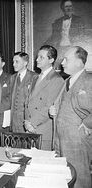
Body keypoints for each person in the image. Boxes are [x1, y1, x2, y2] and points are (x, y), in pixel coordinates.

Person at [50, 46, 92, 188]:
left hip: (78, 141)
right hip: (60, 139)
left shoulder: (89, 80)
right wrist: (54, 110)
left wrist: (87, 124)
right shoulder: (67, 80)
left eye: (66, 59)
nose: (62, 62)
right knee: (65, 178)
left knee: (80, 179)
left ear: (79, 62)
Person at [24, 45, 64, 150]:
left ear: (51, 60)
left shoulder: (56, 79)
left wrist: (32, 123)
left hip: (42, 130)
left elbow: (49, 106)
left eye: (41, 57)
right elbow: (28, 102)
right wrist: (27, 122)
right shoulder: (35, 77)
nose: (37, 59)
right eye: (37, 56)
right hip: (30, 128)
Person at [45, 0, 84, 70]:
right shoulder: (57, 22)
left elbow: (81, 37)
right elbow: (54, 38)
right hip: (60, 49)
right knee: (58, 69)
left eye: (70, 6)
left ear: (72, 7)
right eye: (66, 6)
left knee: (72, 68)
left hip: (72, 48)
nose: (69, 8)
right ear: (63, 8)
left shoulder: (79, 21)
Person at [9, 52, 38, 133]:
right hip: (14, 121)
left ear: (25, 63)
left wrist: (31, 123)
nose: (14, 64)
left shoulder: (34, 77)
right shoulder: (12, 78)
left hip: (27, 121)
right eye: (13, 62)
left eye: (17, 62)